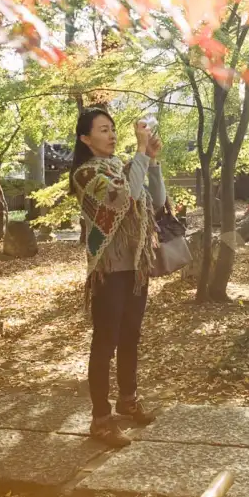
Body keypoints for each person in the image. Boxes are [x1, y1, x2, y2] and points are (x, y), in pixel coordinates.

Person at [70, 107, 166, 448]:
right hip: (109, 269)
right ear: (85, 138)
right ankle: (100, 418)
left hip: (136, 267)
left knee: (130, 336)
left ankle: (128, 399)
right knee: (105, 342)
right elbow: (124, 198)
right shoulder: (85, 175)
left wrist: (152, 161)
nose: (111, 135)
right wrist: (140, 155)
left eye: (112, 129)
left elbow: (156, 201)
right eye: (102, 130)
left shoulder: (123, 168)